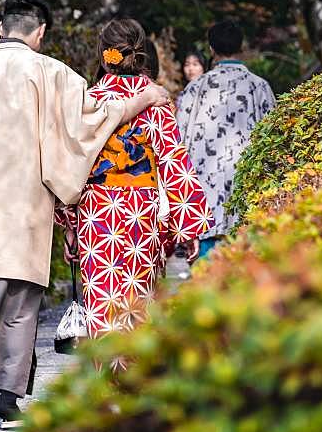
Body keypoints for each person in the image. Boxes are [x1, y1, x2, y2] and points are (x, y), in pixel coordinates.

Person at [0, 0, 170, 429]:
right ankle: (8, 403)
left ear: (0, 28)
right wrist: (145, 98)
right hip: (26, 205)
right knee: (19, 302)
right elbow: (94, 120)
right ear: (40, 32)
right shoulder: (50, 72)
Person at [60, 19, 210, 342]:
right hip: (142, 215)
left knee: (102, 303)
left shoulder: (88, 102)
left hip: (96, 213)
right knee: (139, 303)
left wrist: (69, 224)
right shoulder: (155, 100)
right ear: (141, 54)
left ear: (103, 54)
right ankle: (136, 379)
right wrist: (190, 228)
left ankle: (107, 380)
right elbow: (174, 162)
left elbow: (72, 165)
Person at [177, 19, 276, 260]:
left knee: (205, 282)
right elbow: (273, 143)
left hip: (203, 203)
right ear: (240, 47)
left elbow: (178, 144)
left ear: (211, 49)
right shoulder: (259, 87)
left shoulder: (195, 89)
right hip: (247, 198)